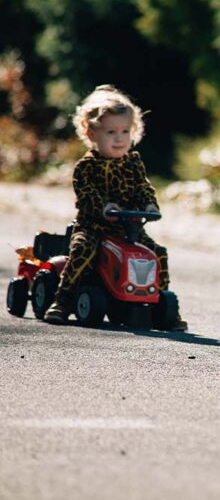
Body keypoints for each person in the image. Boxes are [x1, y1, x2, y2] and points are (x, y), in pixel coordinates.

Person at [44, 84, 188, 331]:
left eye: (124, 131)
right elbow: (86, 194)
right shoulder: (86, 167)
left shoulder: (133, 164)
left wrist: (149, 204)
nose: (119, 138)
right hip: (94, 227)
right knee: (81, 250)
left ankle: (161, 303)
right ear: (92, 134)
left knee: (157, 252)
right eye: (111, 132)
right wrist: (102, 207)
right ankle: (63, 299)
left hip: (128, 230)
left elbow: (142, 187)